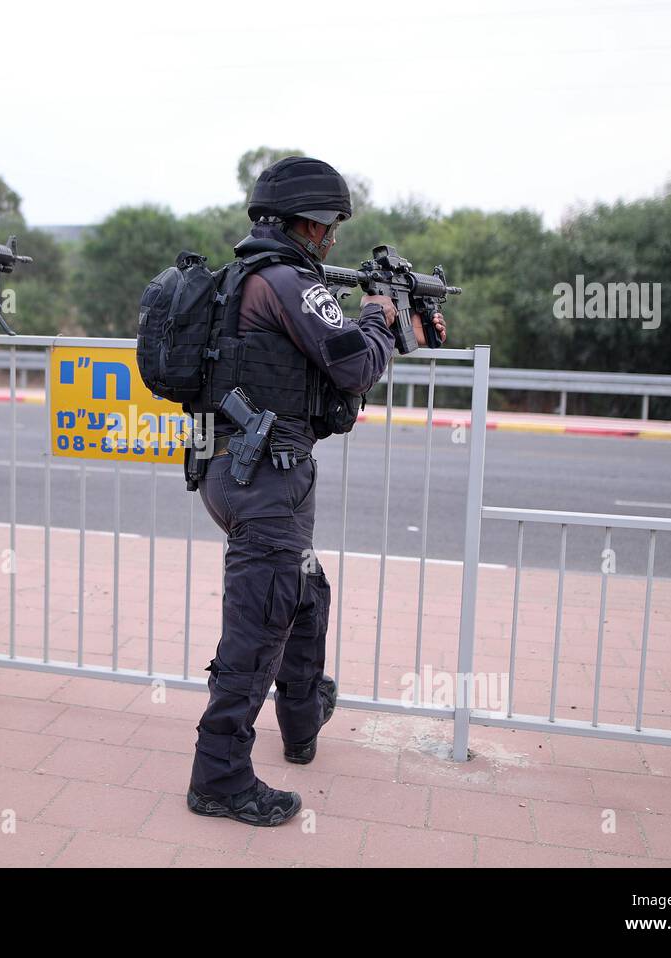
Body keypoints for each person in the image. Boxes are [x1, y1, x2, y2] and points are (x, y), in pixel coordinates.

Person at [186, 156, 446, 826]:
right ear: (309, 224)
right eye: (329, 231)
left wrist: (395, 322)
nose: (331, 244)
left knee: (303, 592)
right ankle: (219, 777)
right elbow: (355, 366)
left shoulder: (242, 276)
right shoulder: (289, 281)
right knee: (257, 630)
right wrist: (381, 319)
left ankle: (300, 720)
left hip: (238, 473)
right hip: (265, 482)